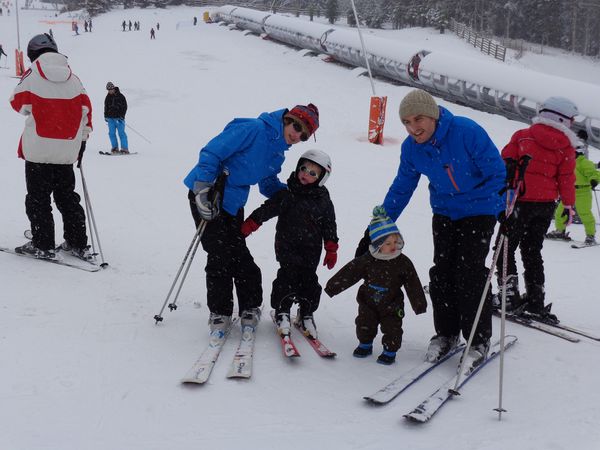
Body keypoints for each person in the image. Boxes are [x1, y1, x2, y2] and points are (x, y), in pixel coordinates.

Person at [357, 89, 505, 367]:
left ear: (433, 115)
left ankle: (478, 339)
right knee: (442, 273)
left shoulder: (466, 132)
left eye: (419, 119)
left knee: (470, 273)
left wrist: (503, 208)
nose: (414, 128)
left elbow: (496, 172)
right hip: (445, 212)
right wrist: (379, 223)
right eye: (407, 123)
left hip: (480, 210)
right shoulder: (412, 148)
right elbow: (402, 186)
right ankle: (446, 333)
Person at [183, 103, 319, 333]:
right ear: (286, 118)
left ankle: (250, 304)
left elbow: (267, 183)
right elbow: (212, 151)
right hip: (209, 193)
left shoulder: (277, 153)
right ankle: (220, 311)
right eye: (296, 126)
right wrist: (203, 188)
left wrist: (291, 193)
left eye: (303, 135)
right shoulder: (254, 128)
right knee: (219, 253)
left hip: (234, 203)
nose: (296, 135)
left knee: (237, 252)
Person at [9, 33, 93, 260]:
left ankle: (43, 243)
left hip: (39, 150)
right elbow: (87, 111)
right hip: (66, 150)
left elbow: (17, 103)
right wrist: (82, 140)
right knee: (67, 197)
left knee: (38, 198)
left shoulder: (32, 75)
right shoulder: (74, 79)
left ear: (32, 54)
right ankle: (77, 242)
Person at [496, 97, 578, 323]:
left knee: (505, 247)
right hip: (545, 206)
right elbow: (566, 178)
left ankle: (508, 294)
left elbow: (505, 160)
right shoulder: (567, 147)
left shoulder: (523, 136)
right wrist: (569, 205)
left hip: (518, 202)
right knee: (532, 250)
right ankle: (535, 299)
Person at [241, 150, 338, 338]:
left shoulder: (323, 200)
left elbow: (329, 224)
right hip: (287, 246)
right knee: (287, 278)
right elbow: (268, 208)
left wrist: (331, 247)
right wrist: (252, 222)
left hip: (311, 249)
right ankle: (282, 311)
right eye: (303, 168)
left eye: (313, 173)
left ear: (322, 178)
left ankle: (306, 313)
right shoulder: (287, 193)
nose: (305, 174)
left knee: (309, 280)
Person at [326, 206, 427, 365]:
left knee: (392, 328)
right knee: (364, 323)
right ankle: (365, 344)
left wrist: (419, 303)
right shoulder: (367, 260)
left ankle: (390, 350)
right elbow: (350, 272)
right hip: (368, 301)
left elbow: (413, 283)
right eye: (388, 243)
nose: (393, 246)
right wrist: (333, 286)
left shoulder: (402, 262)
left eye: (396, 241)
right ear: (378, 244)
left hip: (392, 303)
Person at [546, 130, 600, 245]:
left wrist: (594, 180)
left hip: (583, 191)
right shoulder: (567, 162)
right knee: (560, 211)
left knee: (584, 213)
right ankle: (560, 230)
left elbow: (593, 173)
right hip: (569, 190)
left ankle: (590, 236)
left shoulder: (584, 163)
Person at [103, 81, 129, 154]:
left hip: (119, 119)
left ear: (114, 88)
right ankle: (115, 148)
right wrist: (105, 116)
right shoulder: (107, 97)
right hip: (110, 119)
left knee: (121, 133)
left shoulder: (121, 96)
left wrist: (122, 116)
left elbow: (125, 107)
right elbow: (106, 107)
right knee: (111, 133)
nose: (110, 91)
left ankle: (124, 148)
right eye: (108, 90)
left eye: (111, 89)